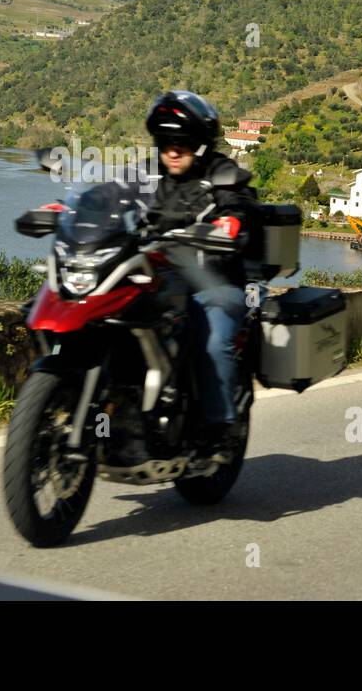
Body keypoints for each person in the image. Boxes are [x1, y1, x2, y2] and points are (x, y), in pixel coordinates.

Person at [143, 90, 259, 464]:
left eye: (184, 142)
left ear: (202, 144)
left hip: (214, 280)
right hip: (158, 275)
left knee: (212, 341)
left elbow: (241, 201)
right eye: (166, 142)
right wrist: (72, 211)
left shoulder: (220, 173)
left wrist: (233, 221)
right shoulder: (147, 175)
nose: (173, 151)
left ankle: (220, 429)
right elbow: (112, 197)